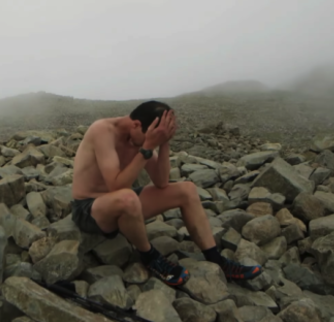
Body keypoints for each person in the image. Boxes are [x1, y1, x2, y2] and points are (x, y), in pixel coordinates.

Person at [70, 100, 263, 287]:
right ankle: (150, 257)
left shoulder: (142, 137)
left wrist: (163, 143)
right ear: (136, 124)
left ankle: (217, 260)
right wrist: (146, 148)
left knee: (187, 190)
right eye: (149, 139)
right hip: (89, 208)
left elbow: (161, 181)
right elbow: (115, 186)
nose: (145, 145)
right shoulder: (102, 130)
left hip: (120, 203)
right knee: (127, 198)